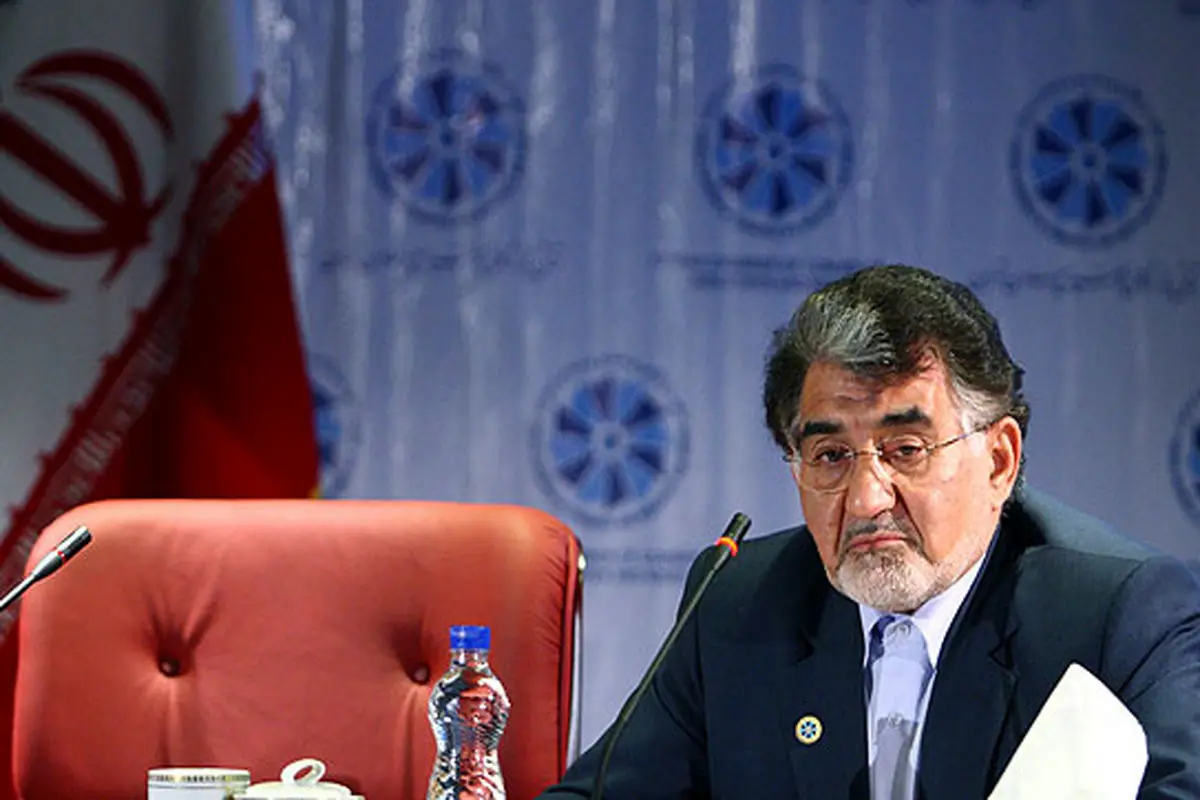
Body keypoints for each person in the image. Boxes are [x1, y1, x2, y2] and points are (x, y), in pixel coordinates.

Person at [537, 264, 1200, 799]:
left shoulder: (1118, 616)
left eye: (906, 450)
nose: (866, 498)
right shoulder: (737, 605)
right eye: (830, 456)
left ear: (999, 461)